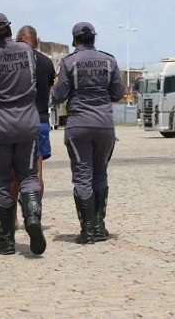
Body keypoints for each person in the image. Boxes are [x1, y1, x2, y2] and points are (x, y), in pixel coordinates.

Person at [0, 13, 46, 256]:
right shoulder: (26, 51)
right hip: (28, 123)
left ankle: (6, 241)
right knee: (29, 176)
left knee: (2, 182)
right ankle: (33, 218)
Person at [51, 22, 125, 244]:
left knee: (83, 175)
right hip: (104, 125)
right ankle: (100, 226)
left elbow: (59, 94)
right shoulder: (109, 60)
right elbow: (118, 92)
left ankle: (88, 229)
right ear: (94, 38)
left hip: (78, 125)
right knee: (100, 173)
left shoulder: (68, 62)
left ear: (75, 40)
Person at [11, 25, 55, 227]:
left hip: (18, 120)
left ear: (19, 38)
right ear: (37, 40)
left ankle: (11, 219)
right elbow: (47, 91)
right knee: (37, 174)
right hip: (41, 120)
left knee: (13, 174)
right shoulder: (46, 62)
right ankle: (35, 215)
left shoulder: (14, 60)